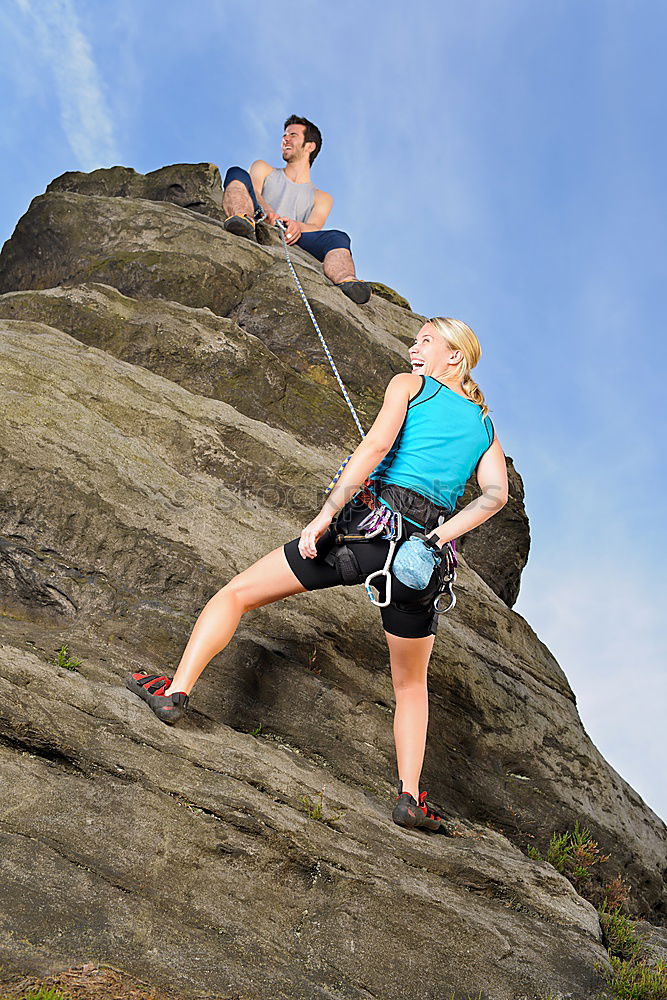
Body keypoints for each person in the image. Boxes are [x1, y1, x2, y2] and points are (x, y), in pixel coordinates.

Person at [126, 318, 509, 832]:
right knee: (411, 684)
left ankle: (176, 692)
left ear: (454, 357)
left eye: (424, 342)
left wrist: (327, 512)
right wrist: (438, 539)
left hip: (366, 529)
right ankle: (409, 798)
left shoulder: (411, 385)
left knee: (236, 594)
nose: (412, 348)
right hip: (421, 561)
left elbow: (373, 449)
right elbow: (495, 496)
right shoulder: (484, 424)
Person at [221, 114, 371, 305]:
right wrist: (268, 212)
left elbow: (315, 225)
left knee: (338, 237)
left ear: (310, 146)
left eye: (293, 135)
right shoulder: (263, 168)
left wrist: (296, 226)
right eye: (284, 135)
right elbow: (255, 191)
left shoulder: (321, 197)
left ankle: (347, 280)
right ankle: (240, 219)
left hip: (293, 236)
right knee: (237, 173)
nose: (285, 139)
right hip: (259, 218)